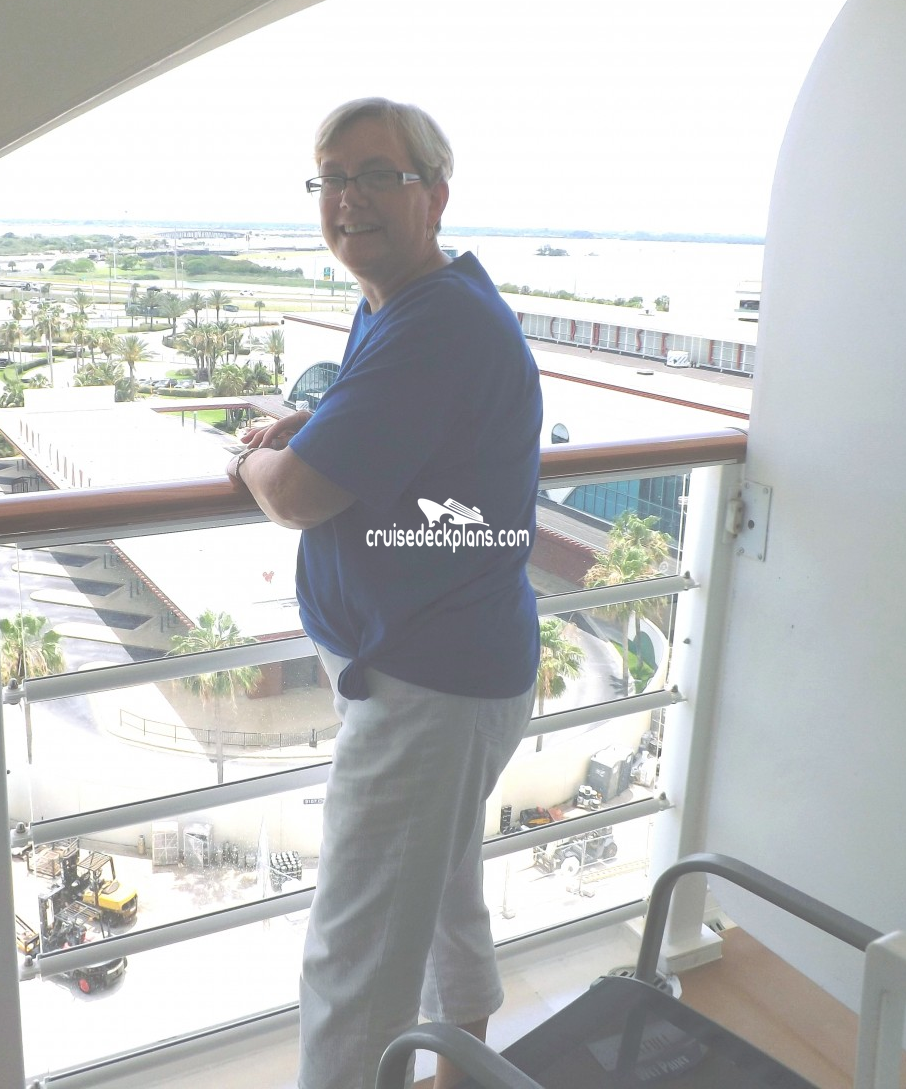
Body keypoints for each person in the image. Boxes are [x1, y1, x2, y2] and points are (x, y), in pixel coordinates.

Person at [227, 98, 542, 1089]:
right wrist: (312, 420)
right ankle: (464, 1074)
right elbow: (386, 423)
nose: (347, 197)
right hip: (447, 672)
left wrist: (249, 462)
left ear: (434, 194)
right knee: (444, 898)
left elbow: (297, 495)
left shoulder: (434, 322)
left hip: (427, 691)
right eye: (331, 178)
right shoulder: (406, 305)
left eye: (375, 174)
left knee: (353, 967)